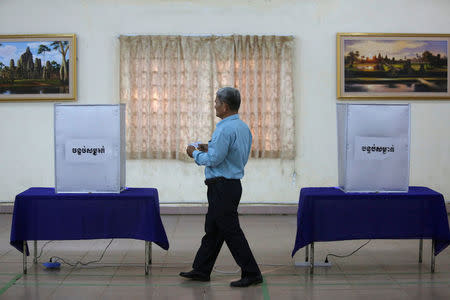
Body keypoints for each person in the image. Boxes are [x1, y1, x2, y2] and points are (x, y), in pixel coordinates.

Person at [180, 87, 262, 287]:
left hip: (221, 187)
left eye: (216, 102)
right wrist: (211, 147)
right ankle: (201, 269)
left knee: (231, 231)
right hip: (230, 186)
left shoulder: (224, 129)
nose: (214, 105)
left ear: (225, 106)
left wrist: (194, 153)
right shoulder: (242, 127)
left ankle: (252, 273)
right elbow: (232, 153)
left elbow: (215, 159)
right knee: (213, 230)